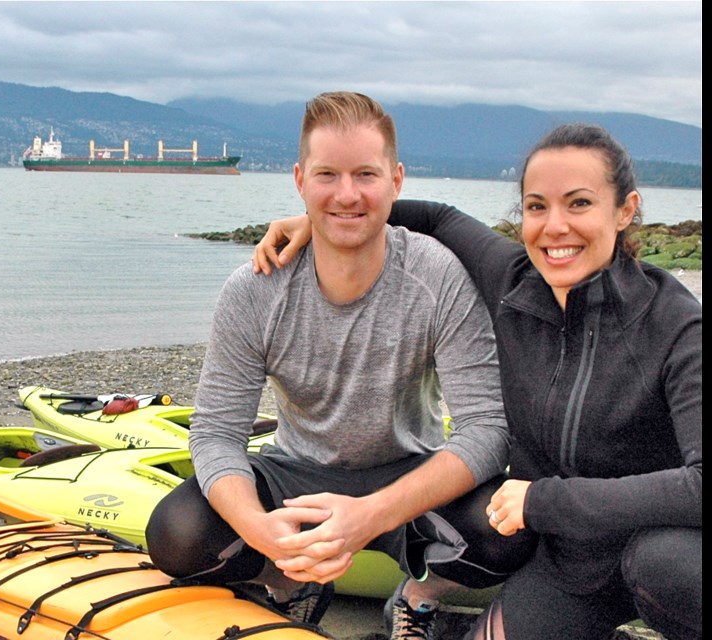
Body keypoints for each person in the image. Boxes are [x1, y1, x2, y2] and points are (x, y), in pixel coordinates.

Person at [252, 122, 701, 640]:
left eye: (579, 204)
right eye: (536, 206)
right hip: (572, 567)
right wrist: (326, 220)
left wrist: (543, 502)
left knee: (660, 563)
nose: (555, 227)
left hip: (671, 552)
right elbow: (436, 218)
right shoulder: (511, 283)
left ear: (625, 211)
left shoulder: (677, 326)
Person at [145, 92, 536, 637]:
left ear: (396, 181)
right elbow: (215, 432)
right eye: (328, 174)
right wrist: (260, 530)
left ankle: (419, 595)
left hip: (408, 472)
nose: (347, 194)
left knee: (510, 528)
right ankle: (289, 583)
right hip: (295, 475)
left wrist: (371, 516)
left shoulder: (437, 277)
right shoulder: (255, 290)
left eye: (365, 175)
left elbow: (486, 429)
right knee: (176, 531)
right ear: (300, 179)